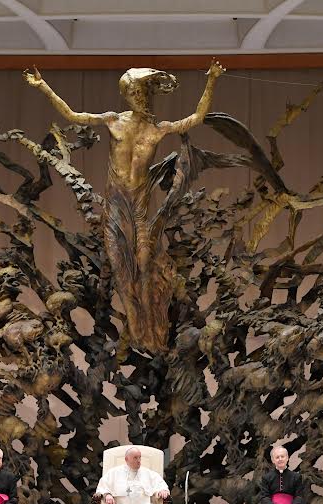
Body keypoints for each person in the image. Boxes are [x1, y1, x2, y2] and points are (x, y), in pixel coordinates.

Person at [23, 61, 225, 354]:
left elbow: (196, 118)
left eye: (143, 93)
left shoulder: (159, 129)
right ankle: (136, 328)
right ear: (127, 96)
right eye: (135, 93)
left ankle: (153, 331)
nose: (140, 98)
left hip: (140, 208)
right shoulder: (112, 120)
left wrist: (212, 80)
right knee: (120, 267)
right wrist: (43, 87)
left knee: (145, 262)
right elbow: (73, 115)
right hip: (116, 207)